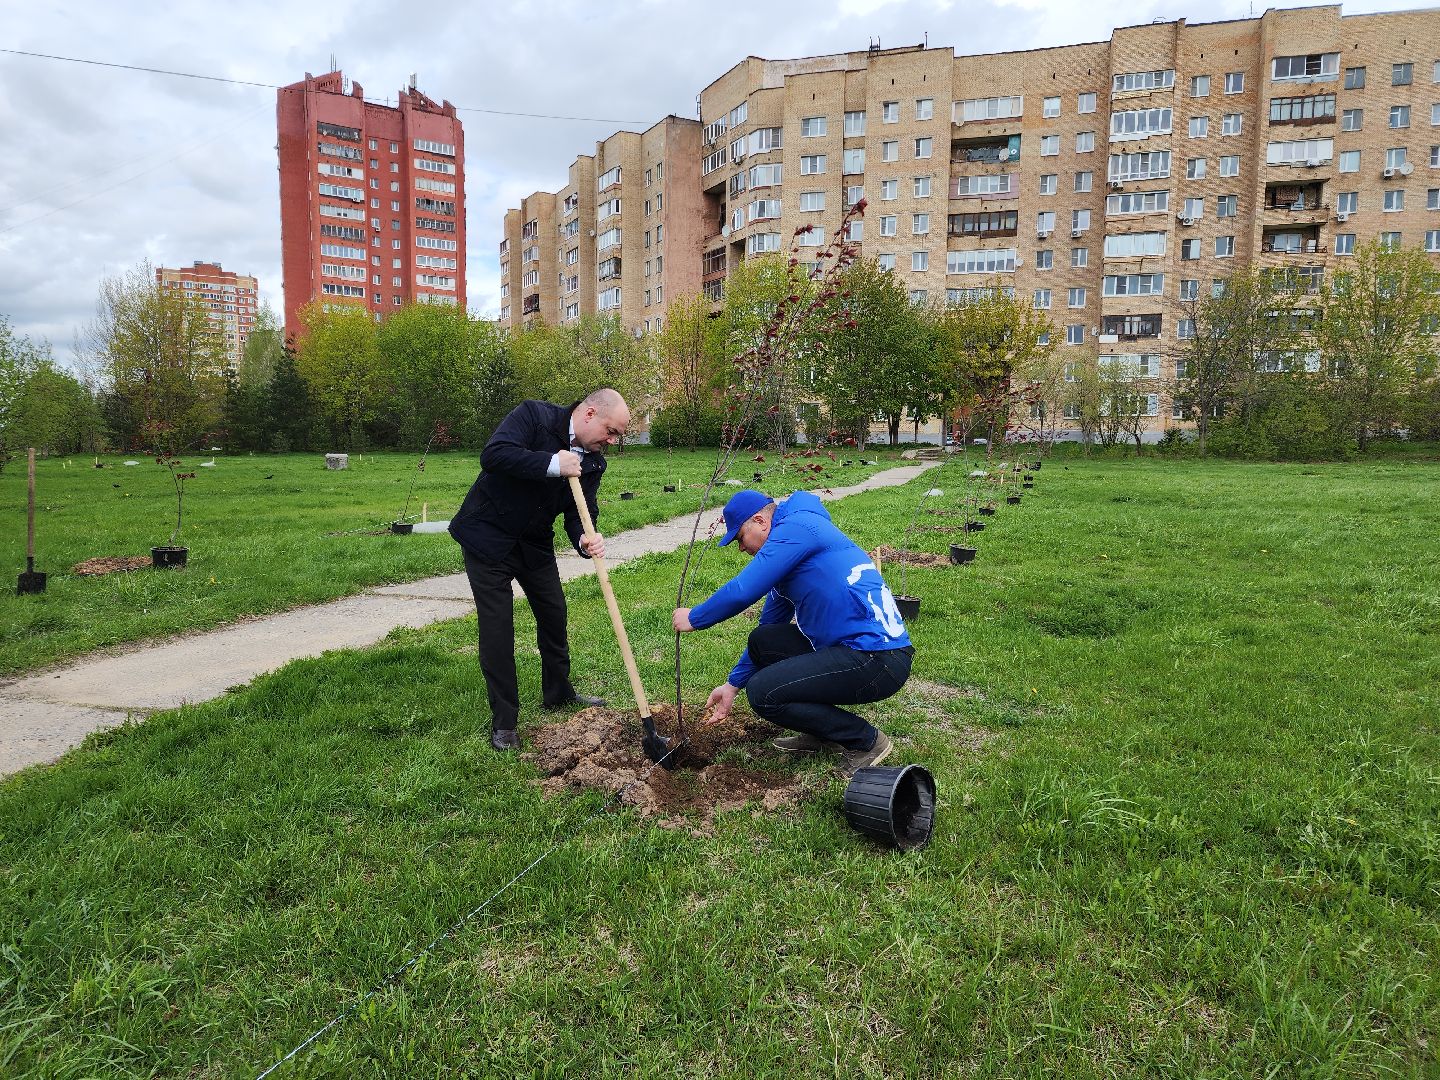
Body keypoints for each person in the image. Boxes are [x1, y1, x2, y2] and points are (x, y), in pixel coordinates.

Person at [672, 488, 913, 775]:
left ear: (761, 521)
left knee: (763, 692)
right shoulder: (791, 553)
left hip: (878, 657)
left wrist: (695, 617)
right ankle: (821, 733)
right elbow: (768, 628)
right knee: (764, 641)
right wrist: (732, 686)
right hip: (852, 650)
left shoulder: (797, 529)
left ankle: (865, 741)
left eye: (740, 538)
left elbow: (743, 590)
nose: (741, 548)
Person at [450, 389, 630, 752]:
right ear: (590, 414)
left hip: (534, 543)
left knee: (554, 613)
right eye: (611, 431)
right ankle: (505, 723)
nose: (612, 441)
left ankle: (558, 692)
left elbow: (581, 511)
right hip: (488, 536)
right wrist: (552, 464)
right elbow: (494, 455)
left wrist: (584, 538)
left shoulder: (594, 462)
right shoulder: (534, 416)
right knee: (498, 628)